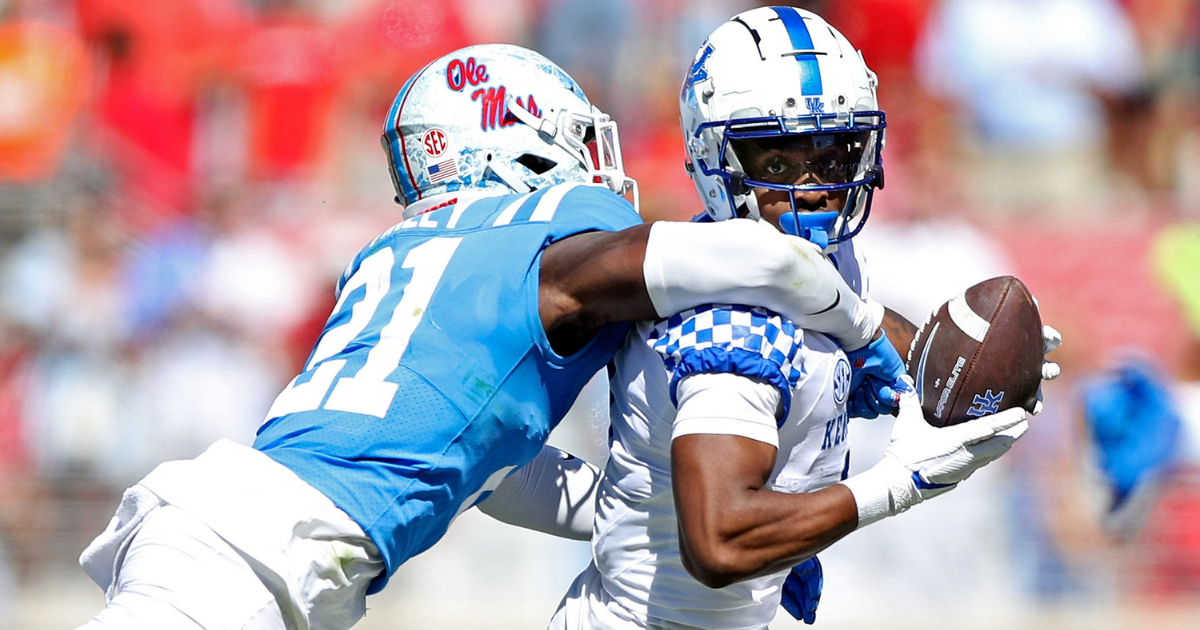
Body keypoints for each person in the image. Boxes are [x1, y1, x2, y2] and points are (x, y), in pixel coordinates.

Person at [75, 43, 906, 630]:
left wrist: (635, 513)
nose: (597, 169)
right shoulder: (561, 222)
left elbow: (486, 471)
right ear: (524, 148)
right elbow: (760, 257)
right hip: (260, 560)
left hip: (236, 524)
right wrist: (864, 328)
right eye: (577, 144)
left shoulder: (393, 253)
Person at [543, 8, 1039, 629]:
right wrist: (899, 482)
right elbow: (719, 543)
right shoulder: (732, 329)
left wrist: (973, 368)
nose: (816, 189)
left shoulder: (818, 259)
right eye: (778, 163)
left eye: (835, 156)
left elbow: (849, 320)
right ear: (711, 157)